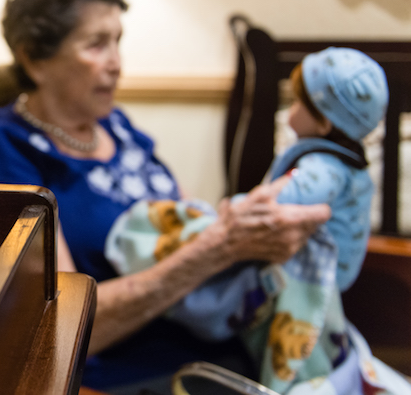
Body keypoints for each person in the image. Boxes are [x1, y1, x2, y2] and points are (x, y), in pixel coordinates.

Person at [0, 0, 330, 394]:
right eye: (96, 44)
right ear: (35, 59)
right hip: (135, 377)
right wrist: (220, 247)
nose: (117, 62)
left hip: (223, 344)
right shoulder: (3, 145)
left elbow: (189, 219)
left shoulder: (118, 125)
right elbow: (56, 323)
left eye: (118, 41)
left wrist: (247, 224)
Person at [105, 48, 394, 393]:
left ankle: (145, 242)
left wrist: (232, 208)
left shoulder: (323, 171)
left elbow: (270, 208)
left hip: (304, 271)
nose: (289, 114)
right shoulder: (342, 163)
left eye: (298, 104)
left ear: (325, 122)